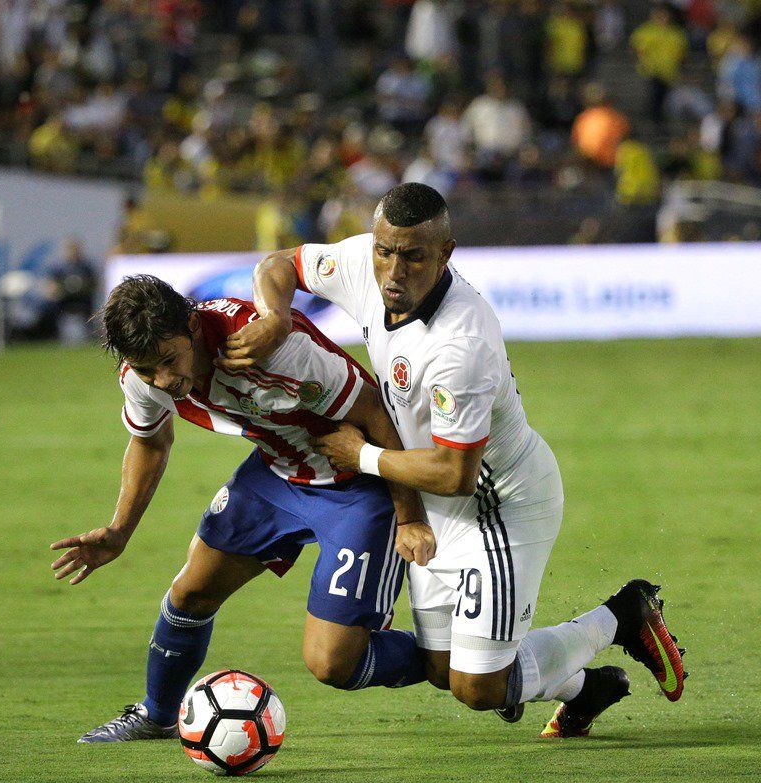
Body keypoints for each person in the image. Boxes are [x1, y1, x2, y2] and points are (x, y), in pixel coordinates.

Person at [220, 183, 687, 738]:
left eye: (414, 257)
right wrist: (276, 315)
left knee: (478, 687)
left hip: (498, 504)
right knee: (442, 671)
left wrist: (361, 455)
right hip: (436, 502)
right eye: (385, 251)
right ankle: (590, 688)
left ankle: (623, 615)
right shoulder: (363, 264)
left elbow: (455, 473)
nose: (394, 272)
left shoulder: (460, 345)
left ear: (445, 254)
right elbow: (279, 264)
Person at [50, 274, 435, 743]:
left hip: (358, 484)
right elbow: (150, 443)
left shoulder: (273, 349)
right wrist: (119, 531)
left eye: (169, 362)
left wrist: (410, 517)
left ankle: (466, 666)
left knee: (333, 662)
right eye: (148, 370)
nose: (163, 382)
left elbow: (376, 414)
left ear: (193, 326)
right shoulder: (142, 374)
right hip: (275, 473)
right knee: (190, 593)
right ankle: (156, 716)